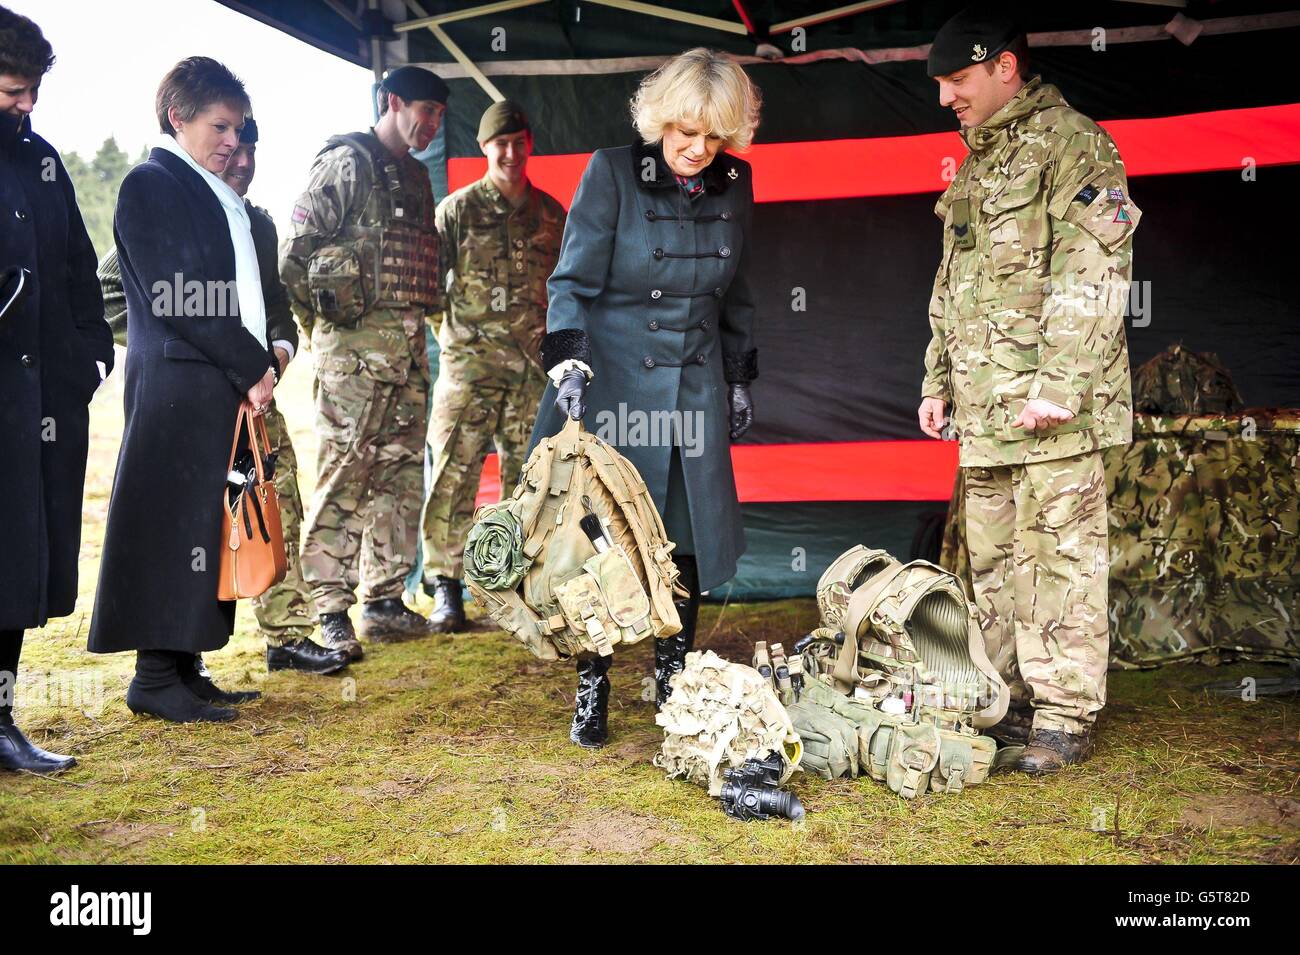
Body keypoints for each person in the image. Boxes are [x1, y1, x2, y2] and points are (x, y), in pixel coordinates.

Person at [918, 6, 1140, 773]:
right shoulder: (978, 162)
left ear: (1004, 66)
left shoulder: (1077, 145)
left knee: (1061, 561)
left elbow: (1096, 273)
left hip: (1053, 412)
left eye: (958, 79)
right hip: (985, 411)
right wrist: (937, 378)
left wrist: (1060, 384)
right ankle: (1007, 700)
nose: (947, 96)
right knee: (996, 564)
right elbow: (955, 282)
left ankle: (1066, 716)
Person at [527, 48, 761, 748]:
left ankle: (673, 675)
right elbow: (570, 283)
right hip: (615, 383)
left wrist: (739, 375)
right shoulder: (611, 174)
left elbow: (737, 289)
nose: (696, 149)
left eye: (713, 138)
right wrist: (569, 363)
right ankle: (593, 682)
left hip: (692, 385)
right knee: (601, 539)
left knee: (684, 540)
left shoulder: (735, 184)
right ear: (661, 119)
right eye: (685, 132)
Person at [97, 117, 351, 677]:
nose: (240, 162)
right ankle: (174, 659)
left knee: (272, 503)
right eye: (231, 151)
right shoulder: (174, 205)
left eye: (250, 154)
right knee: (195, 520)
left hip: (255, 395)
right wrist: (169, 349)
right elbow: (119, 290)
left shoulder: (257, 225)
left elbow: (279, 305)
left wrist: (277, 356)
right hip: (192, 394)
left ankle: (284, 633)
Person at [88, 57, 280, 723]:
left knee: (202, 523)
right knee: (168, 526)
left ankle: (186, 666)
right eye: (220, 126)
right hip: (176, 386)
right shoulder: (152, 183)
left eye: (238, 127)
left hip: (205, 385)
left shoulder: (196, 186)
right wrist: (252, 363)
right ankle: (152, 677)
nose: (234, 140)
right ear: (179, 117)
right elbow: (181, 297)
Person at [280, 65, 448, 656]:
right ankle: (329, 608)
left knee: (401, 474)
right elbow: (294, 254)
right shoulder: (347, 162)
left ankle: (383, 599)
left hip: (406, 357)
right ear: (393, 101)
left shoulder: (417, 176)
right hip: (354, 357)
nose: (431, 125)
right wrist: (323, 330)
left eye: (439, 116)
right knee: (345, 473)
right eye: (424, 110)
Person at [0, 6, 114, 772]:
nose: (26, 105)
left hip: (37, 407)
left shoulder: (41, 163)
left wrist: (92, 360)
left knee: (18, 565)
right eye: (11, 90)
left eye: (33, 90)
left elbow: (78, 268)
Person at [420, 100, 566, 632]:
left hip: (532, 373)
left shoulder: (552, 214)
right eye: (499, 143)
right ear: (484, 148)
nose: (509, 152)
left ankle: (512, 584)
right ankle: (446, 586)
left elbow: (566, 291)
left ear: (529, 144)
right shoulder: (456, 212)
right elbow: (432, 291)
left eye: (518, 141)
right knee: (454, 476)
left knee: (527, 480)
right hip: (470, 372)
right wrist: (465, 341)